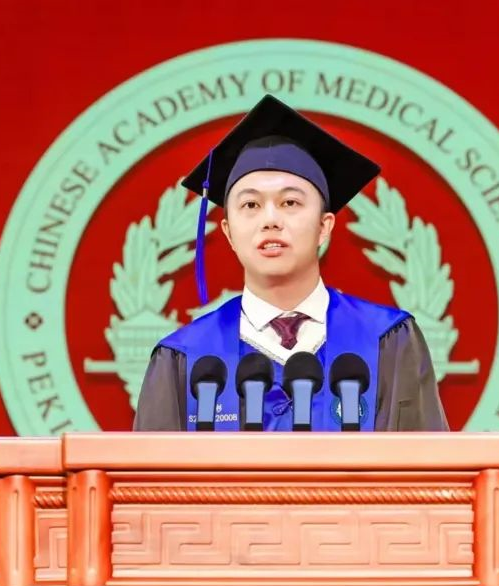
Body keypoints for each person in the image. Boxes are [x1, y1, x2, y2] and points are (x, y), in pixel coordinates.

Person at [133, 95, 448, 432]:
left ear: (324, 226)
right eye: (251, 205)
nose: (270, 220)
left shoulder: (386, 340)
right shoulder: (185, 356)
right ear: (228, 232)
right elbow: (147, 468)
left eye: (290, 202)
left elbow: (424, 463)